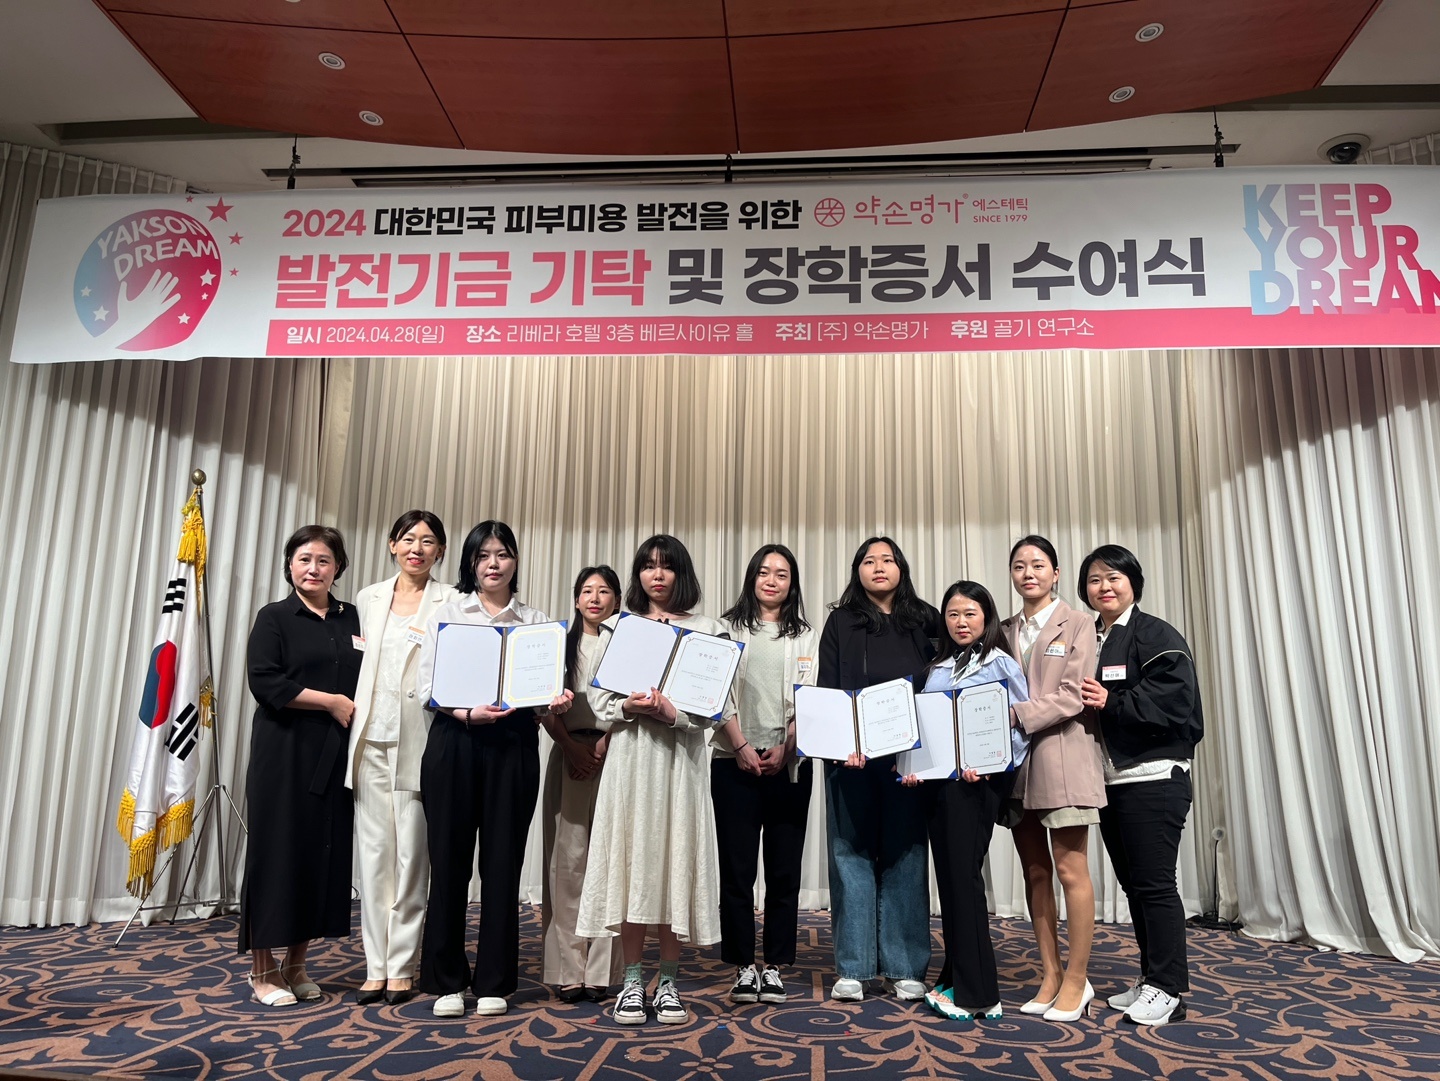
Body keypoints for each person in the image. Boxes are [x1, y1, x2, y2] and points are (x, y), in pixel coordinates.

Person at [415, 521, 574, 1019]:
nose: (493, 564)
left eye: (502, 554)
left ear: (515, 562)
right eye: (483, 555)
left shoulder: (536, 622)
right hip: (455, 740)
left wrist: (556, 702)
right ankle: (446, 980)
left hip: (513, 746)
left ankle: (494, 982)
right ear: (470, 563)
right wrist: (467, 713)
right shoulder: (447, 614)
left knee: (503, 864)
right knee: (449, 863)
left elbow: (544, 698)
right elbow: (426, 689)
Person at [576, 535, 729, 1026]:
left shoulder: (709, 631)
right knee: (631, 867)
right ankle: (631, 981)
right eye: (647, 566)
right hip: (630, 762)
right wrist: (627, 705)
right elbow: (599, 701)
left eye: (666, 566)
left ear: (682, 573)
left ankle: (668, 983)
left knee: (672, 866)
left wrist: (673, 713)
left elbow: (714, 708)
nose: (656, 575)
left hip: (681, 765)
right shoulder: (618, 626)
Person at [1078, 544, 1203, 1028]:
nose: (1104, 587)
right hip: (1112, 781)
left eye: (1114, 577)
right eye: (1095, 580)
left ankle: (1169, 989)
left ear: (1133, 583)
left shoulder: (1156, 634)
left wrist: (1111, 700)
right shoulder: (1091, 636)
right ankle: (1152, 978)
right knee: (1135, 886)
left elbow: (1175, 703)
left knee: (1155, 884)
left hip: (1154, 776)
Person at [239, 525, 361, 1007]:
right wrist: (330, 701)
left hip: (335, 752)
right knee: (276, 856)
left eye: (324, 561)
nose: (314, 569)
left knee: (321, 854)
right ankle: (262, 969)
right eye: (304, 559)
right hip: (284, 753)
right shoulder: (274, 617)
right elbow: (264, 680)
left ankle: (296, 964)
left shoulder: (352, 618)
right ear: (289, 565)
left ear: (338, 568)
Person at [817, 536, 939, 1003]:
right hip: (852, 758)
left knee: (906, 855)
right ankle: (854, 967)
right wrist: (839, 746)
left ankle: (904, 967)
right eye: (869, 561)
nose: (879, 567)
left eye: (888, 559)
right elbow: (829, 687)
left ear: (901, 568)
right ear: (858, 571)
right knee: (850, 854)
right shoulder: (841, 621)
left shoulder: (926, 619)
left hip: (909, 761)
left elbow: (940, 686)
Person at [901, 581, 1030, 1021]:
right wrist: (912, 767)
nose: (961, 622)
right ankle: (954, 978)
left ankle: (979, 994)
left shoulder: (1001, 663)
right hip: (938, 787)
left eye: (970, 613)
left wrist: (994, 763)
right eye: (953, 614)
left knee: (965, 881)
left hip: (977, 786)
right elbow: (923, 729)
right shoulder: (937, 668)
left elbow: (1020, 726)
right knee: (952, 881)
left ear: (986, 617)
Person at [346, 510, 455, 1006]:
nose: (417, 548)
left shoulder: (452, 600)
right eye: (408, 539)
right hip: (370, 738)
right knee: (374, 857)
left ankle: (403, 965)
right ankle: (376, 965)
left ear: (440, 551)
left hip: (421, 740)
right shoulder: (367, 598)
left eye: (428, 541)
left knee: (413, 856)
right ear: (392, 544)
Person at [1000, 534, 1104, 1022]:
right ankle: (1050, 973)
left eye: (1038, 565)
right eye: (1019, 566)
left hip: (1063, 759)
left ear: (1056, 573)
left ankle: (1078, 980)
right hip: (1016, 766)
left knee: (1069, 870)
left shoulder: (1079, 624)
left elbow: (1073, 695)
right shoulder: (1002, 630)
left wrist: (1012, 715)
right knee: (1036, 872)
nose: (1029, 573)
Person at [714, 544, 819, 1006]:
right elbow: (716, 692)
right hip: (732, 761)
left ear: (792, 583)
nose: (771, 580)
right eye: (763, 572)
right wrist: (739, 744)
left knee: (783, 870)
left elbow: (810, 696)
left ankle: (774, 965)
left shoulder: (807, 636)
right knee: (737, 870)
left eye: (781, 574)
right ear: (751, 579)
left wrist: (787, 746)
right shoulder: (726, 629)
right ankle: (742, 965)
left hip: (788, 766)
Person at [539, 565, 625, 1003]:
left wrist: (605, 744)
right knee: (568, 865)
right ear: (576, 599)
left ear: (617, 600)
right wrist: (572, 748)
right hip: (568, 754)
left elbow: (633, 704)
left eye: (604, 591)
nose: (595, 598)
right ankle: (567, 968)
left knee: (609, 864)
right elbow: (541, 705)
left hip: (616, 756)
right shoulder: (559, 644)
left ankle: (602, 971)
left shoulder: (626, 645)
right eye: (587, 591)